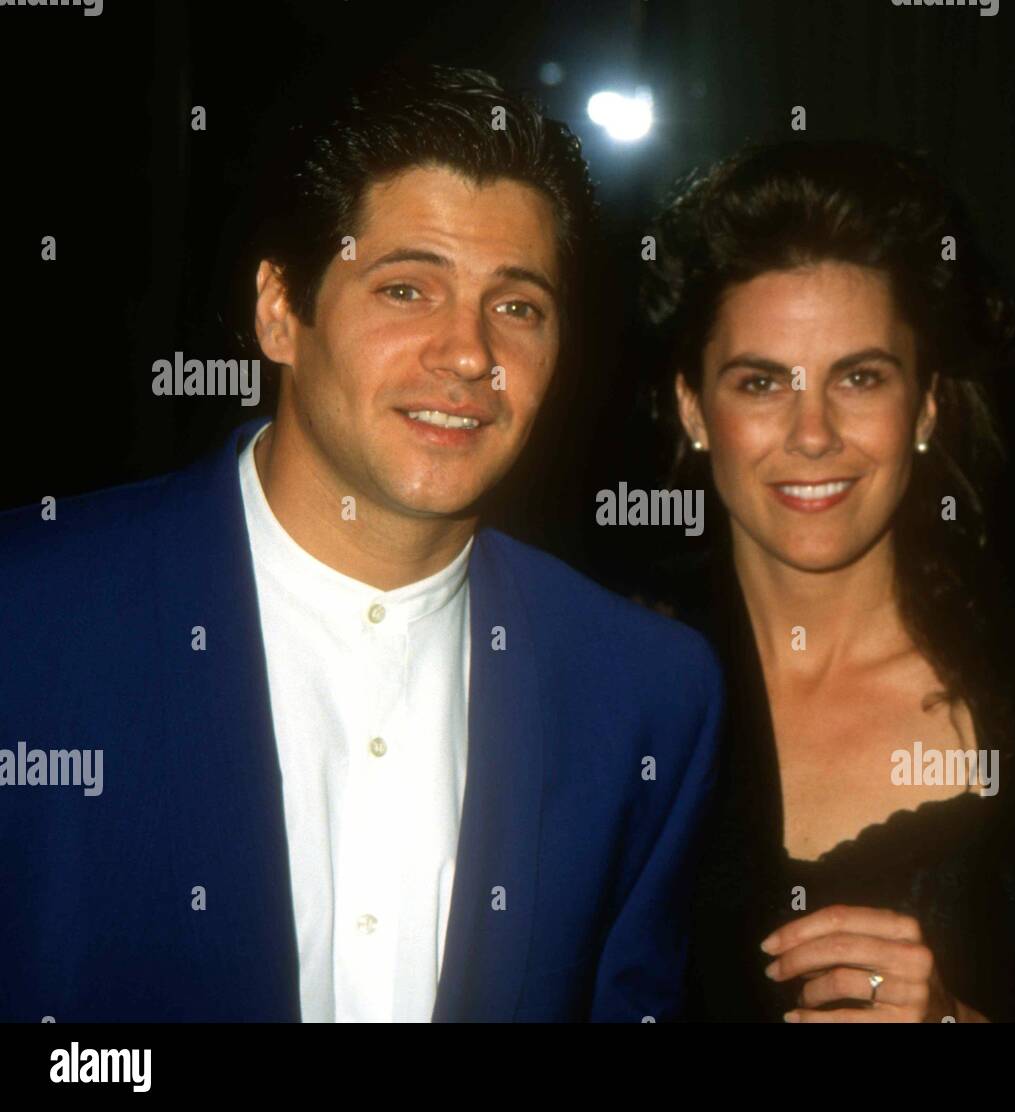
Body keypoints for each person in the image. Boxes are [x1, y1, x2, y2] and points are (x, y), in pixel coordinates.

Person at [0, 62, 722, 1023]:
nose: (469, 353)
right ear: (279, 312)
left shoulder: (645, 694)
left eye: (517, 307)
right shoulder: (30, 615)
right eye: (406, 288)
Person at [640, 140, 1015, 1022]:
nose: (812, 433)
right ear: (693, 408)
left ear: (928, 406)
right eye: (761, 382)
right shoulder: (614, 690)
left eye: (860, 377)